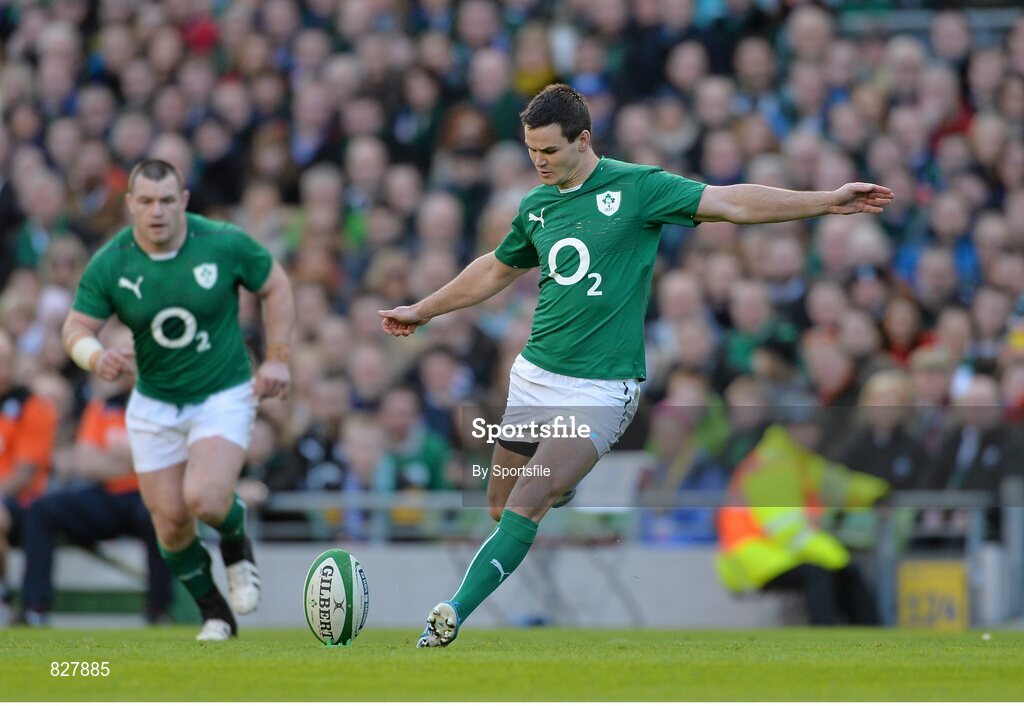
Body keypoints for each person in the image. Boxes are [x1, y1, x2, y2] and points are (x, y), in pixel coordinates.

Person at [378, 83, 893, 647]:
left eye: (549, 151)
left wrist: (824, 200)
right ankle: (561, 489)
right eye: (531, 151)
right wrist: (424, 309)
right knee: (500, 505)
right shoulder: (537, 207)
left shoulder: (637, 188)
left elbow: (731, 202)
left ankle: (450, 615)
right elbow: (496, 271)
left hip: (601, 389)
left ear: (584, 140)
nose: (539, 162)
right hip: (534, 376)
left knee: (528, 499)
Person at [62, 159, 294, 640]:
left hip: (222, 392)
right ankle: (215, 613)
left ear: (184, 201)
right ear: (130, 205)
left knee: (205, 499)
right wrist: (94, 355)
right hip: (155, 402)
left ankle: (234, 535)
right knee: (170, 524)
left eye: (167, 200)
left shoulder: (222, 242)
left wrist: (276, 357)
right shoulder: (113, 260)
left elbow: (276, 284)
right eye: (145, 201)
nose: (157, 211)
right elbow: (76, 327)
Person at [20, 365, 174, 626]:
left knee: (160, 515)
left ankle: (158, 609)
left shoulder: (166, 407)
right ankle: (35, 607)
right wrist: (136, 458)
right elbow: (85, 462)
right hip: (107, 495)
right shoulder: (103, 406)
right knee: (41, 510)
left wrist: (117, 458)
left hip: (148, 494)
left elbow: (168, 461)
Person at [0, 331, 59, 624]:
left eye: (3, 362)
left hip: (24, 504)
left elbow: (24, 474)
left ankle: (4, 597)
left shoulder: (33, 406)